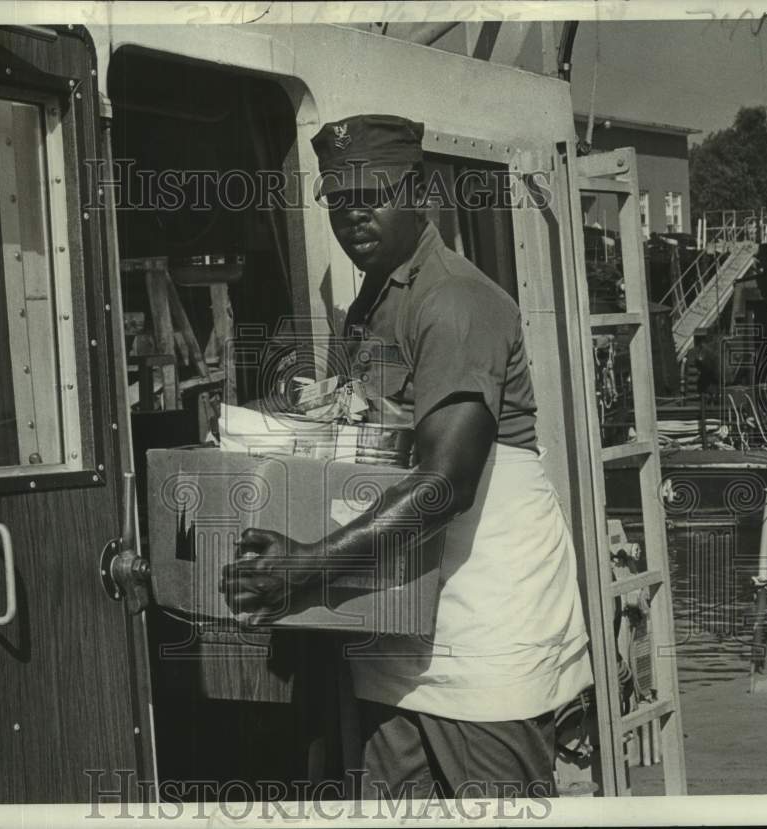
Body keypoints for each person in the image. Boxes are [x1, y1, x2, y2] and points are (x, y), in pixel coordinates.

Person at [220, 114, 593, 800]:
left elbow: (444, 482)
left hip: (482, 635)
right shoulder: (372, 302)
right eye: (337, 199)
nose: (353, 214)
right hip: (403, 622)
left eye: (372, 192)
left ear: (417, 188)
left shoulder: (451, 299)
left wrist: (307, 564)